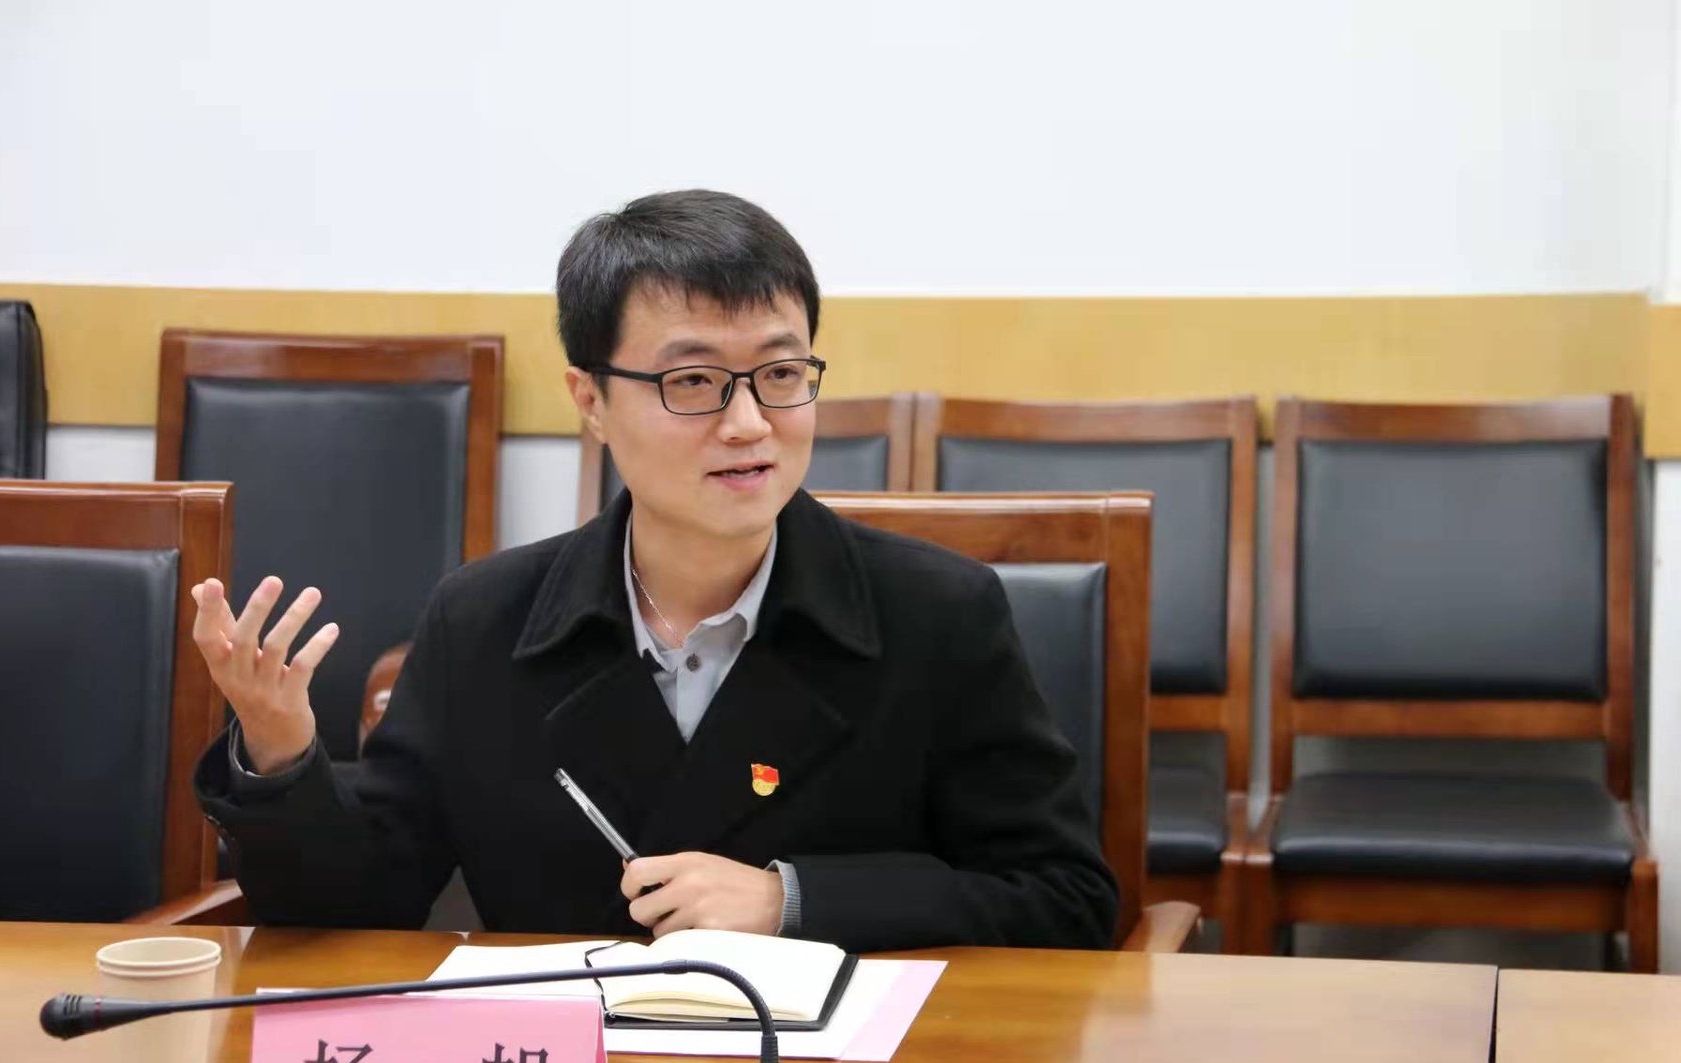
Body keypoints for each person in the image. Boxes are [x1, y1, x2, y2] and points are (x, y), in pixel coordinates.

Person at [190, 189, 1118, 952]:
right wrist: (281, 753)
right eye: (693, 381)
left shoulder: (937, 612)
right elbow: (358, 909)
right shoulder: (484, 620)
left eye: (781, 374)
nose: (749, 424)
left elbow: (1064, 899)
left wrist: (791, 900)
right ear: (591, 400)